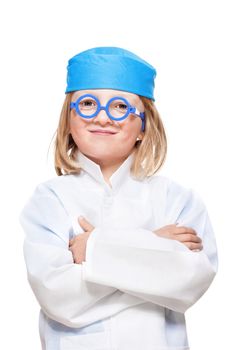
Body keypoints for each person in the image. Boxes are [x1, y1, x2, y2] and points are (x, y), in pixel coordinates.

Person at [19, 46, 218, 350]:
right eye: (87, 104)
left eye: (120, 107)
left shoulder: (178, 200)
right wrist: (154, 248)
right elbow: (58, 295)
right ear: (69, 122)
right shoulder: (49, 200)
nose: (102, 118)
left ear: (143, 126)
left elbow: (190, 282)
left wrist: (94, 248)